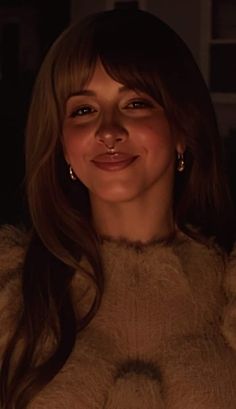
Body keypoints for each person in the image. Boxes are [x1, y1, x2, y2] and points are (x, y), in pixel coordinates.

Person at [0, 8, 236, 409]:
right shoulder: (13, 292)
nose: (108, 130)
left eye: (136, 103)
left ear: (182, 129)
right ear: (61, 144)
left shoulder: (227, 292)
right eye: (83, 110)